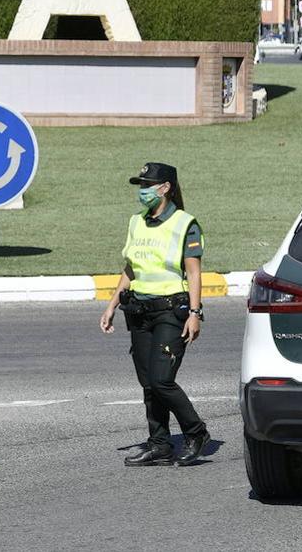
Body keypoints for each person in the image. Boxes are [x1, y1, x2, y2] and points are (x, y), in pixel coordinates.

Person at [99, 162, 209, 467]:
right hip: (140, 312)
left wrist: (195, 313)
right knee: (148, 382)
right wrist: (111, 305)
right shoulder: (136, 222)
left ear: (165, 188)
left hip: (172, 312)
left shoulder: (186, 224)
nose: (142, 191)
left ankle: (196, 431)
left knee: (162, 380)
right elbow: (131, 268)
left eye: (148, 185)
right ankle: (159, 444)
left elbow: (194, 272)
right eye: (140, 185)